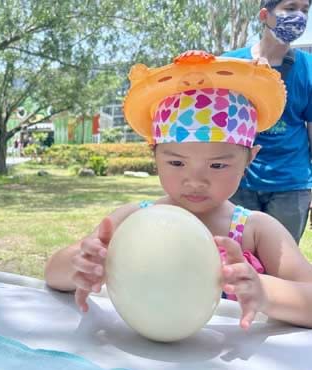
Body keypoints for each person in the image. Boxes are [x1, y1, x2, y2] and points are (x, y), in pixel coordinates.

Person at [45, 51, 312, 330]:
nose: (195, 180)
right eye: (176, 162)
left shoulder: (255, 230)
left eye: (217, 165)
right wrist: (81, 264)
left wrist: (263, 291)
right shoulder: (132, 221)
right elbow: (53, 273)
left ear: (250, 159)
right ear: (154, 156)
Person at [224, 0, 312, 244]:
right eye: (290, 8)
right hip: (237, 182)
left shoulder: (309, 69)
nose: (299, 16)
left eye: (305, 10)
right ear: (265, 15)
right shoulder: (229, 65)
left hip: (291, 185)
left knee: (279, 266)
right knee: (235, 262)